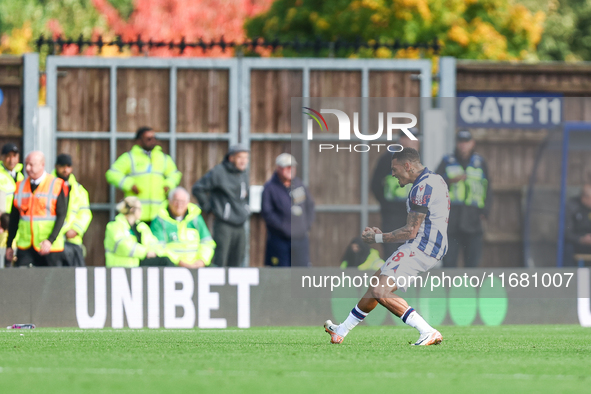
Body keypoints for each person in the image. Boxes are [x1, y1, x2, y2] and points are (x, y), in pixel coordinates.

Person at [324, 147, 449, 346]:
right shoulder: (436, 180)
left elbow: (411, 231)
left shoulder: (422, 188)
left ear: (407, 166)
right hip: (427, 245)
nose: (392, 173)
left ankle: (427, 331)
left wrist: (378, 238)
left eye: (394, 168)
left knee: (381, 291)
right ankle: (341, 330)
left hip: (422, 246)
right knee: (375, 285)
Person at [436, 130, 490, 268]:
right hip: (451, 221)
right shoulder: (447, 161)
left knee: (472, 264)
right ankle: (448, 289)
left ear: (472, 143)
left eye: (466, 142)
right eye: (461, 142)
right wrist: (450, 180)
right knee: (449, 264)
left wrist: (486, 212)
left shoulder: (480, 162)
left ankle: (470, 290)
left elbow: (488, 189)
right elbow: (434, 185)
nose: (463, 145)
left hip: (473, 221)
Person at [106, 126, 182, 224]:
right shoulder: (130, 157)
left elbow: (175, 174)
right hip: (136, 213)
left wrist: (168, 185)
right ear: (139, 141)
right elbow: (112, 174)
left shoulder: (163, 158)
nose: (153, 141)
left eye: (154, 138)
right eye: (148, 139)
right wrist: (129, 184)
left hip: (158, 213)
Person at [5, 151, 69, 267]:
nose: (28, 168)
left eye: (31, 164)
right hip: (26, 247)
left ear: (42, 165)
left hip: (50, 248)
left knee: (51, 282)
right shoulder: (20, 186)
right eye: (26, 164)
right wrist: (9, 244)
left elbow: (62, 215)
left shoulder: (56, 184)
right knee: (23, 281)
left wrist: (50, 240)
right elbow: (14, 218)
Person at [192, 144, 250, 267]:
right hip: (224, 224)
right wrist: (209, 208)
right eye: (240, 157)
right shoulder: (219, 172)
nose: (243, 161)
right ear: (231, 158)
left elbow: (245, 196)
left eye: (246, 158)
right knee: (221, 259)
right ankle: (219, 286)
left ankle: (234, 286)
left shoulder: (243, 174)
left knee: (238, 259)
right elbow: (198, 188)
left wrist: (246, 209)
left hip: (240, 223)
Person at [370, 128, 420, 259]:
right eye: (411, 138)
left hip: (412, 213)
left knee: (411, 253)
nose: (415, 141)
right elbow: (375, 184)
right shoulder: (389, 157)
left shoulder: (417, 158)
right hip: (393, 214)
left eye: (416, 138)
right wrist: (386, 204)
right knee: (392, 253)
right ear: (401, 140)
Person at [261, 153, 315, 267]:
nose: (290, 170)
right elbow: (267, 212)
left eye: (292, 167)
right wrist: (283, 227)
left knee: (302, 272)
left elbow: (310, 205)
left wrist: (305, 225)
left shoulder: (299, 185)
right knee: (281, 274)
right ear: (279, 168)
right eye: (287, 167)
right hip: (279, 240)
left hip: (300, 240)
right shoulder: (270, 188)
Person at [151, 187, 216, 268]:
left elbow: (207, 242)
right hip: (171, 266)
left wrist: (202, 260)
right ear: (169, 201)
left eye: (183, 201)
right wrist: (179, 261)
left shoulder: (195, 218)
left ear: (188, 202)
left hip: (197, 265)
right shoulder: (160, 220)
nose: (179, 205)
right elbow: (159, 247)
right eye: (176, 201)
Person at [104, 197, 174, 267]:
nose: (141, 211)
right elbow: (122, 245)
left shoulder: (141, 226)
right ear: (132, 209)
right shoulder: (115, 225)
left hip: (138, 265)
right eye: (139, 209)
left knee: (165, 261)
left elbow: (153, 243)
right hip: (121, 268)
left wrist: (157, 252)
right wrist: (145, 252)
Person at [53, 154, 92, 267]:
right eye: (62, 166)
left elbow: (85, 213)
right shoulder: (47, 186)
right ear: (56, 166)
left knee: (75, 277)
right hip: (53, 241)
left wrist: (76, 229)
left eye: (68, 166)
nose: (65, 170)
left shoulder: (79, 190)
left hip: (72, 241)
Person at [564, 184, 591, 266]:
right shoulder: (572, 207)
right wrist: (581, 239)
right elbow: (567, 233)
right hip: (576, 243)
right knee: (567, 248)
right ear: (584, 197)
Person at [0, 143, 24, 213]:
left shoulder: (20, 175)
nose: (12, 160)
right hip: (3, 217)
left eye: (14, 156)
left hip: (17, 215)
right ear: (2, 157)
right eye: (8, 156)